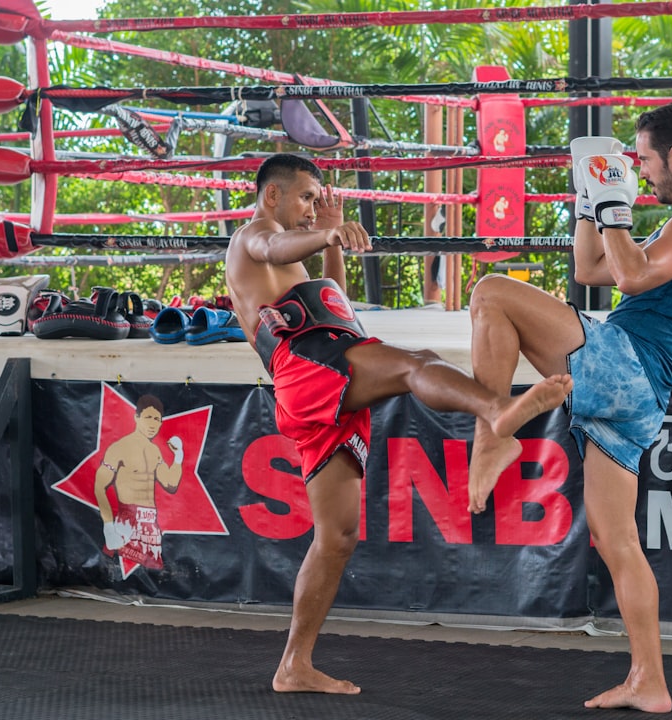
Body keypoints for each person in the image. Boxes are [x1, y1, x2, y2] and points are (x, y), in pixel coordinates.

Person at [224, 153, 572, 696]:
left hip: (316, 378)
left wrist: (331, 243)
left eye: (319, 200)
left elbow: (333, 299)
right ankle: (495, 412)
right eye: (307, 197)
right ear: (273, 196)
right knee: (417, 362)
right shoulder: (257, 235)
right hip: (310, 365)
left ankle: (293, 664)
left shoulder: (290, 257)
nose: (315, 207)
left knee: (337, 536)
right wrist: (328, 232)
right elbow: (274, 247)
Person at [467, 102, 672, 713]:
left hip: (625, 365)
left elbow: (633, 278)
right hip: (639, 397)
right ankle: (650, 680)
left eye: (642, 159)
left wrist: (615, 205)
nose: (640, 171)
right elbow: (594, 268)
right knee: (620, 542)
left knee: (489, 293)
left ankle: (492, 436)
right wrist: (592, 200)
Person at [94, 394, 183, 570]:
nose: (152, 423)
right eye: (148, 417)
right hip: (127, 519)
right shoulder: (119, 448)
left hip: (151, 522)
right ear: (136, 418)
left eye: (157, 419)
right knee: (123, 574)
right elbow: (99, 486)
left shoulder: (155, 451)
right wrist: (109, 527)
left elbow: (170, 482)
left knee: (154, 575)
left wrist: (179, 455)